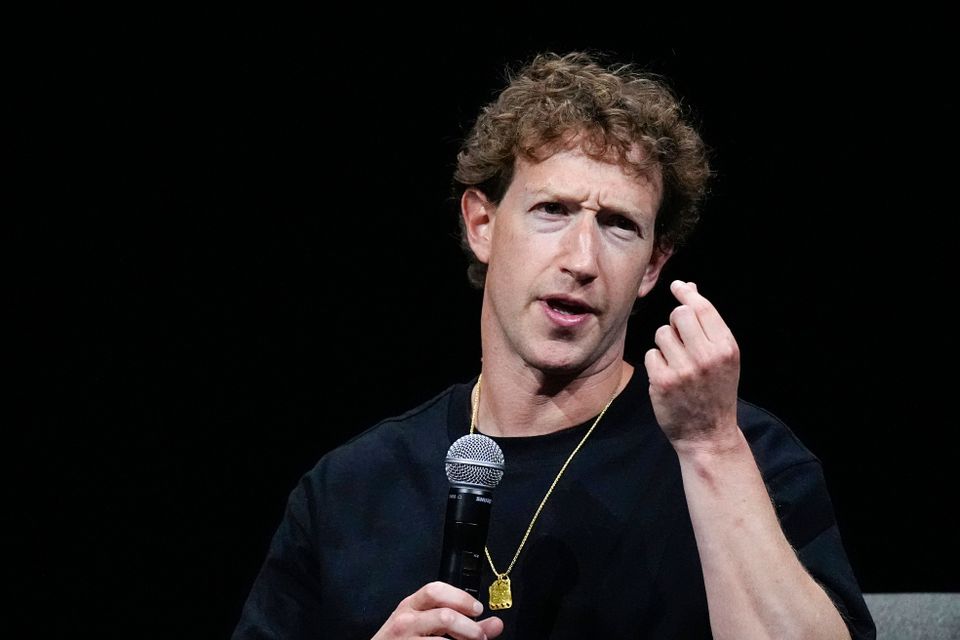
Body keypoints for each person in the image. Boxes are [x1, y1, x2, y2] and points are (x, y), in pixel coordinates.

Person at [232, 51, 875, 639]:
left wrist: (711, 448)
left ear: (653, 266)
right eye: (553, 210)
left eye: (620, 225)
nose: (582, 259)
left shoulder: (747, 457)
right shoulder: (351, 490)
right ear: (482, 223)